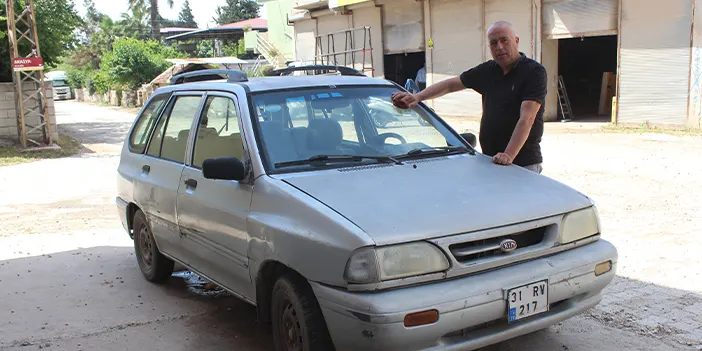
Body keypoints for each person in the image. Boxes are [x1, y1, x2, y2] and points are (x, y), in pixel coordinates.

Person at [391, 21, 547, 174]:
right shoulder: (488, 70)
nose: (499, 47)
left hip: (522, 165)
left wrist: (508, 155)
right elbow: (450, 85)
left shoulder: (533, 72)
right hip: (491, 160)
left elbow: (527, 118)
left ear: (516, 41)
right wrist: (417, 97)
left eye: (504, 40)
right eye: (493, 43)